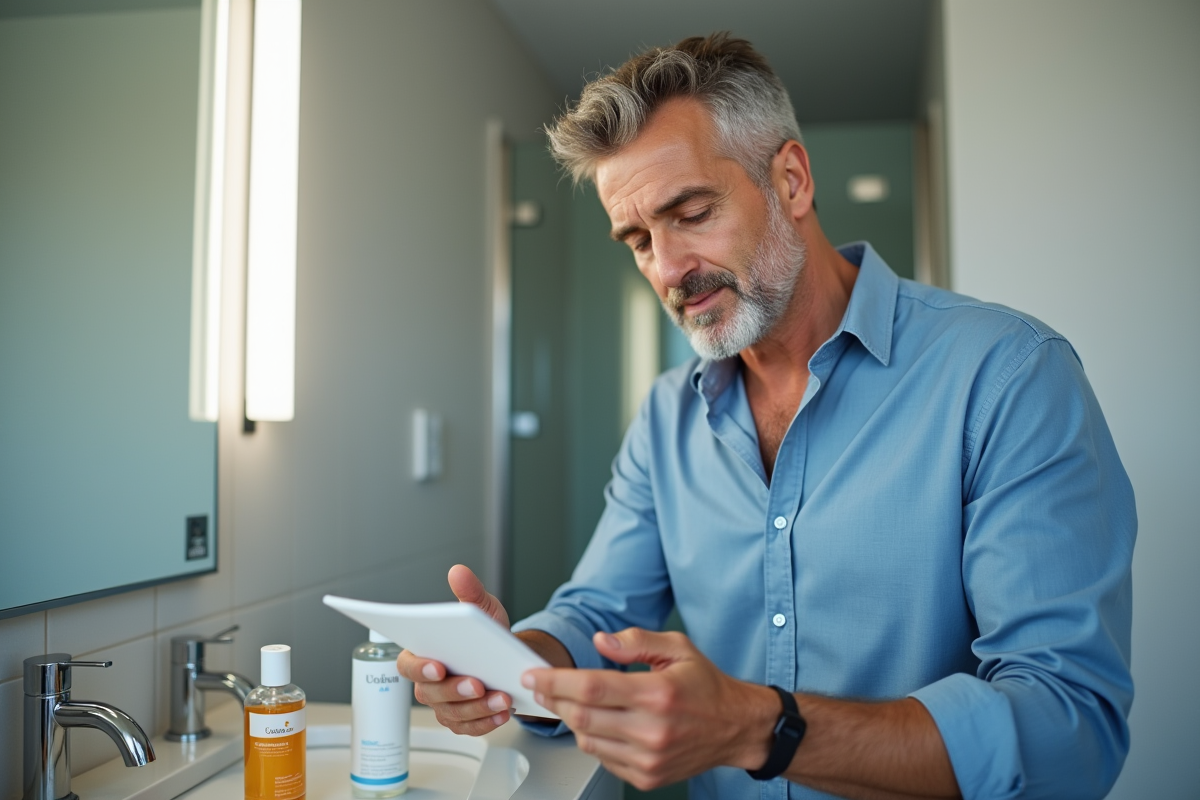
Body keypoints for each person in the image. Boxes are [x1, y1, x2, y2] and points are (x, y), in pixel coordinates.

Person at [397, 33, 1135, 800]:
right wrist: (507, 666)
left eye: (691, 213)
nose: (668, 268)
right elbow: (599, 611)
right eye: (639, 240)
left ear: (790, 180)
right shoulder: (665, 419)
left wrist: (756, 727)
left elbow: (1067, 729)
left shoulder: (1007, 376)